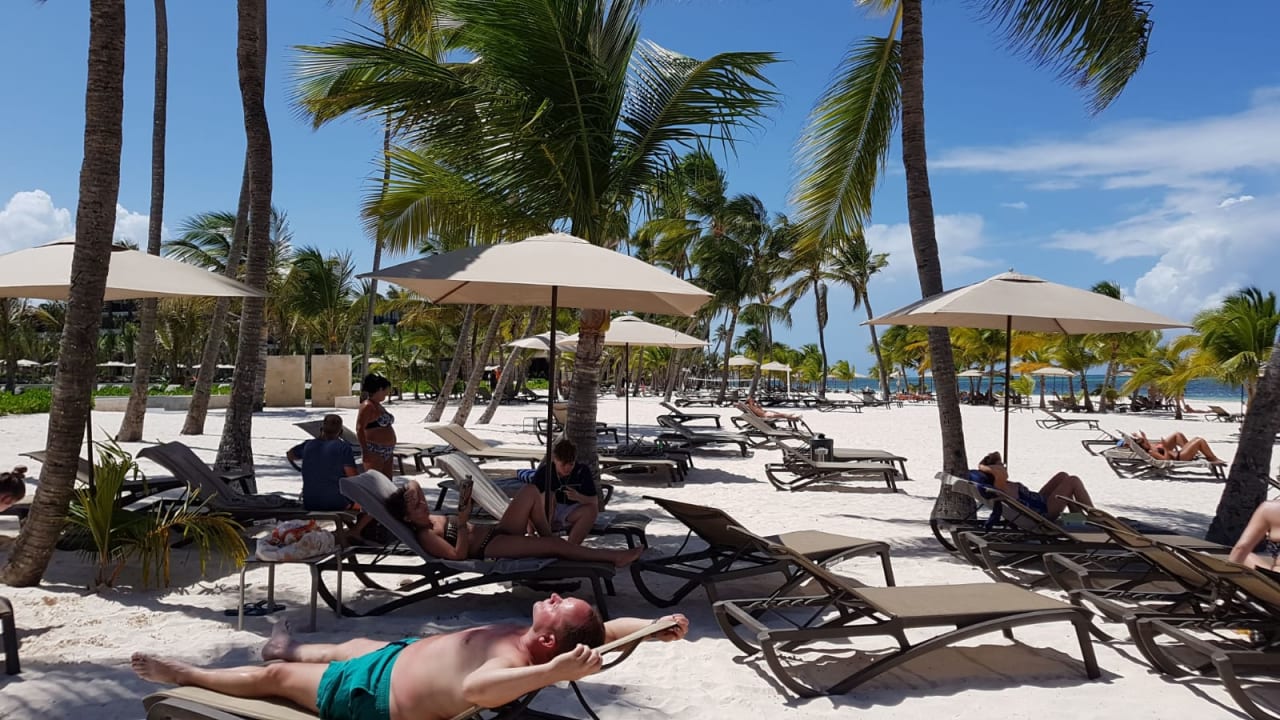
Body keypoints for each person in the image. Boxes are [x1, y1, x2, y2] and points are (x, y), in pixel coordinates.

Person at [132, 597, 689, 720]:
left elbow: (477, 692)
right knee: (351, 646)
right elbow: (605, 630)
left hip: (370, 697)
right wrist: (656, 627)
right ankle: (288, 646)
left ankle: (187, 674)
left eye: (555, 605)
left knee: (276, 678)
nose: (547, 598)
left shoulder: (519, 663)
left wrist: (550, 675)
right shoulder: (545, 639)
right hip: (392, 659)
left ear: (550, 642)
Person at [388, 478, 642, 567]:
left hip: (496, 531)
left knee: (531, 491)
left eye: (420, 500)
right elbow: (457, 556)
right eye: (415, 505)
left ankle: (547, 537)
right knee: (557, 548)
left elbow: (413, 485)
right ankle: (612, 557)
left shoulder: (427, 517)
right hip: (490, 547)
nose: (422, 503)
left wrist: (409, 496)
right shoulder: (425, 535)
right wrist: (463, 522)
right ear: (407, 517)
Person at [975, 451, 1094, 520]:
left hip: (1037, 501)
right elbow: (989, 469)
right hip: (1042, 512)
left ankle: (1078, 520)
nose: (1004, 467)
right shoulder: (999, 483)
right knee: (1073, 480)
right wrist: (984, 467)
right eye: (1001, 465)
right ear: (995, 470)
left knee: (1063, 476)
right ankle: (1095, 516)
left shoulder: (1000, 483)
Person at [522, 438, 598, 545]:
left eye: (571, 464)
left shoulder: (582, 471)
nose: (567, 468)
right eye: (563, 464)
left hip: (571, 512)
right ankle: (546, 539)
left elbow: (594, 501)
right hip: (546, 514)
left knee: (591, 510)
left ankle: (571, 547)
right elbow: (530, 500)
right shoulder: (546, 471)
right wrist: (530, 531)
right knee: (548, 496)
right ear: (555, 460)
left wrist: (578, 497)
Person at [287, 414, 360, 512]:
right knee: (367, 504)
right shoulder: (343, 448)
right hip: (336, 503)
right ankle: (357, 528)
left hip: (310, 502)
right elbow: (353, 478)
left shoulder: (308, 445)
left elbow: (290, 454)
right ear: (341, 432)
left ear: (322, 429)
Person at [357, 374, 397, 477]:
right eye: (386, 391)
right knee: (375, 484)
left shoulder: (378, 405)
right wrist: (365, 451)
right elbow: (359, 428)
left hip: (388, 449)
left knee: (387, 484)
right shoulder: (367, 406)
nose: (387, 393)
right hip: (374, 450)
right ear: (379, 389)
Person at [1229, 501, 1280, 571]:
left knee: (1243, 555)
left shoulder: (1268, 509)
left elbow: (1241, 548)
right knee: (1248, 557)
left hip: (1275, 577)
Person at [1131, 430, 1224, 463]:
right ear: (1143, 446)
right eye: (1144, 441)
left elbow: (1142, 442)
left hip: (1178, 454)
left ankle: (1196, 452)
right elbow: (1165, 460)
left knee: (1180, 435)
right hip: (1180, 457)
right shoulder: (1151, 452)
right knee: (1200, 441)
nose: (1145, 441)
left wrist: (1142, 437)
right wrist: (1166, 448)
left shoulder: (1148, 446)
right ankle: (1212, 458)